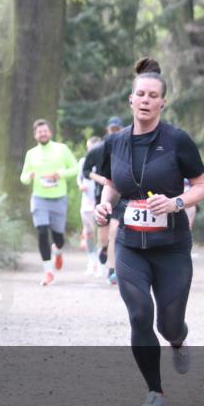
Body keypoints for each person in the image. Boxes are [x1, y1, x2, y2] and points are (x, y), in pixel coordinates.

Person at [94, 57, 204, 406]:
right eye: (140, 94)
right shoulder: (114, 144)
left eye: (153, 95)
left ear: (162, 103)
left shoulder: (178, 141)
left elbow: (203, 186)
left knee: (168, 323)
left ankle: (177, 339)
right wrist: (103, 205)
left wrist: (176, 202)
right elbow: (112, 184)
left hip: (172, 248)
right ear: (130, 100)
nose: (145, 100)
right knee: (140, 315)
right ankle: (155, 393)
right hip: (131, 245)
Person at [19, 119, 79, 286]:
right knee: (42, 231)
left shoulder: (62, 149)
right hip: (39, 198)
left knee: (58, 237)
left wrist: (61, 174)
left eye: (45, 131)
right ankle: (48, 271)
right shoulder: (31, 154)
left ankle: (58, 251)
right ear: (35, 135)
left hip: (59, 198)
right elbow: (23, 177)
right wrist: (28, 177)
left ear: (50, 132)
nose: (43, 133)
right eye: (39, 132)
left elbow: (75, 168)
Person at [83, 117, 124, 284]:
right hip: (104, 195)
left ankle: (113, 271)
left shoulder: (129, 147)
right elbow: (86, 170)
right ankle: (105, 249)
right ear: (108, 130)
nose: (114, 132)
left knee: (115, 231)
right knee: (104, 236)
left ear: (121, 129)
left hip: (122, 196)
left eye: (117, 129)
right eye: (112, 129)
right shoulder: (99, 149)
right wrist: (100, 179)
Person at [77, 136, 104, 276]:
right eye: (90, 148)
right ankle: (91, 261)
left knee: (101, 234)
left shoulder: (104, 161)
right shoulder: (83, 161)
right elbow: (79, 178)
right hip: (87, 203)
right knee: (89, 233)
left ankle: (101, 263)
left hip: (100, 202)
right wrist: (81, 186)